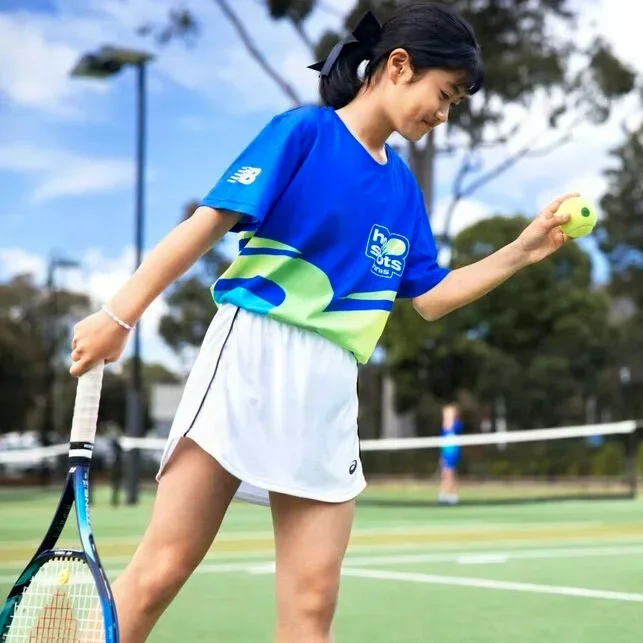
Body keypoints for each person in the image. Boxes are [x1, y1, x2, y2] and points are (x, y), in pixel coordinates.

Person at [68, 4, 575, 642]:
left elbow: (432, 296)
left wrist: (523, 250)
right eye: (443, 95)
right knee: (160, 572)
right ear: (398, 66)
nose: (443, 115)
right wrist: (119, 314)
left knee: (311, 608)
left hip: (332, 389)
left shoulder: (403, 192)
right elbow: (205, 225)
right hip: (250, 360)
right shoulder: (303, 133)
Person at [438, 403, 463, 505]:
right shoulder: (444, 428)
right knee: (445, 473)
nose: (446, 415)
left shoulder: (457, 425)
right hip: (445, 451)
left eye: (448, 413)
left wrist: (450, 422)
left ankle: (452, 495)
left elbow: (455, 430)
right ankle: (446, 494)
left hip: (453, 452)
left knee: (449, 473)